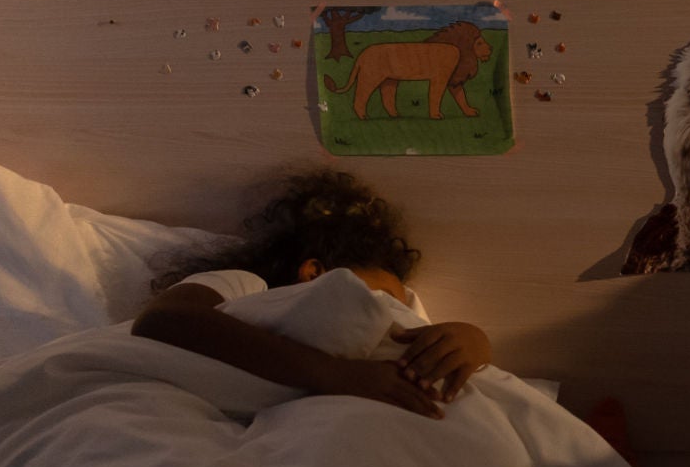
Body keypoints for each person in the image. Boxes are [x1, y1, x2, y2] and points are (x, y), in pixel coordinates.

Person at [135, 168, 490, 420]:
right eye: (382, 297)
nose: (390, 312)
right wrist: (336, 374)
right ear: (316, 273)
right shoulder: (242, 286)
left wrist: (474, 342)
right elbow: (162, 318)